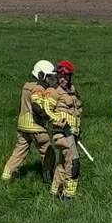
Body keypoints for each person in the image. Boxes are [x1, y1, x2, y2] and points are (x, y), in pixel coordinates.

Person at [34, 60, 82, 200]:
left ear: (70, 77)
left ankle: (54, 191)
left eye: (66, 76)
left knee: (62, 162)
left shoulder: (73, 92)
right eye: (60, 76)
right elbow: (46, 110)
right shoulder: (53, 92)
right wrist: (61, 122)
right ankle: (68, 195)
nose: (63, 79)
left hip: (73, 133)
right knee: (73, 162)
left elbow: (77, 111)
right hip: (61, 133)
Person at [1, 60, 55, 181]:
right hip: (37, 127)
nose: (49, 80)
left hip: (23, 125)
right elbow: (37, 105)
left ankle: (6, 175)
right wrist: (47, 115)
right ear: (41, 75)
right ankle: (49, 177)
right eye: (48, 76)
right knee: (47, 151)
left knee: (19, 152)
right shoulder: (39, 88)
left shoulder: (26, 86)